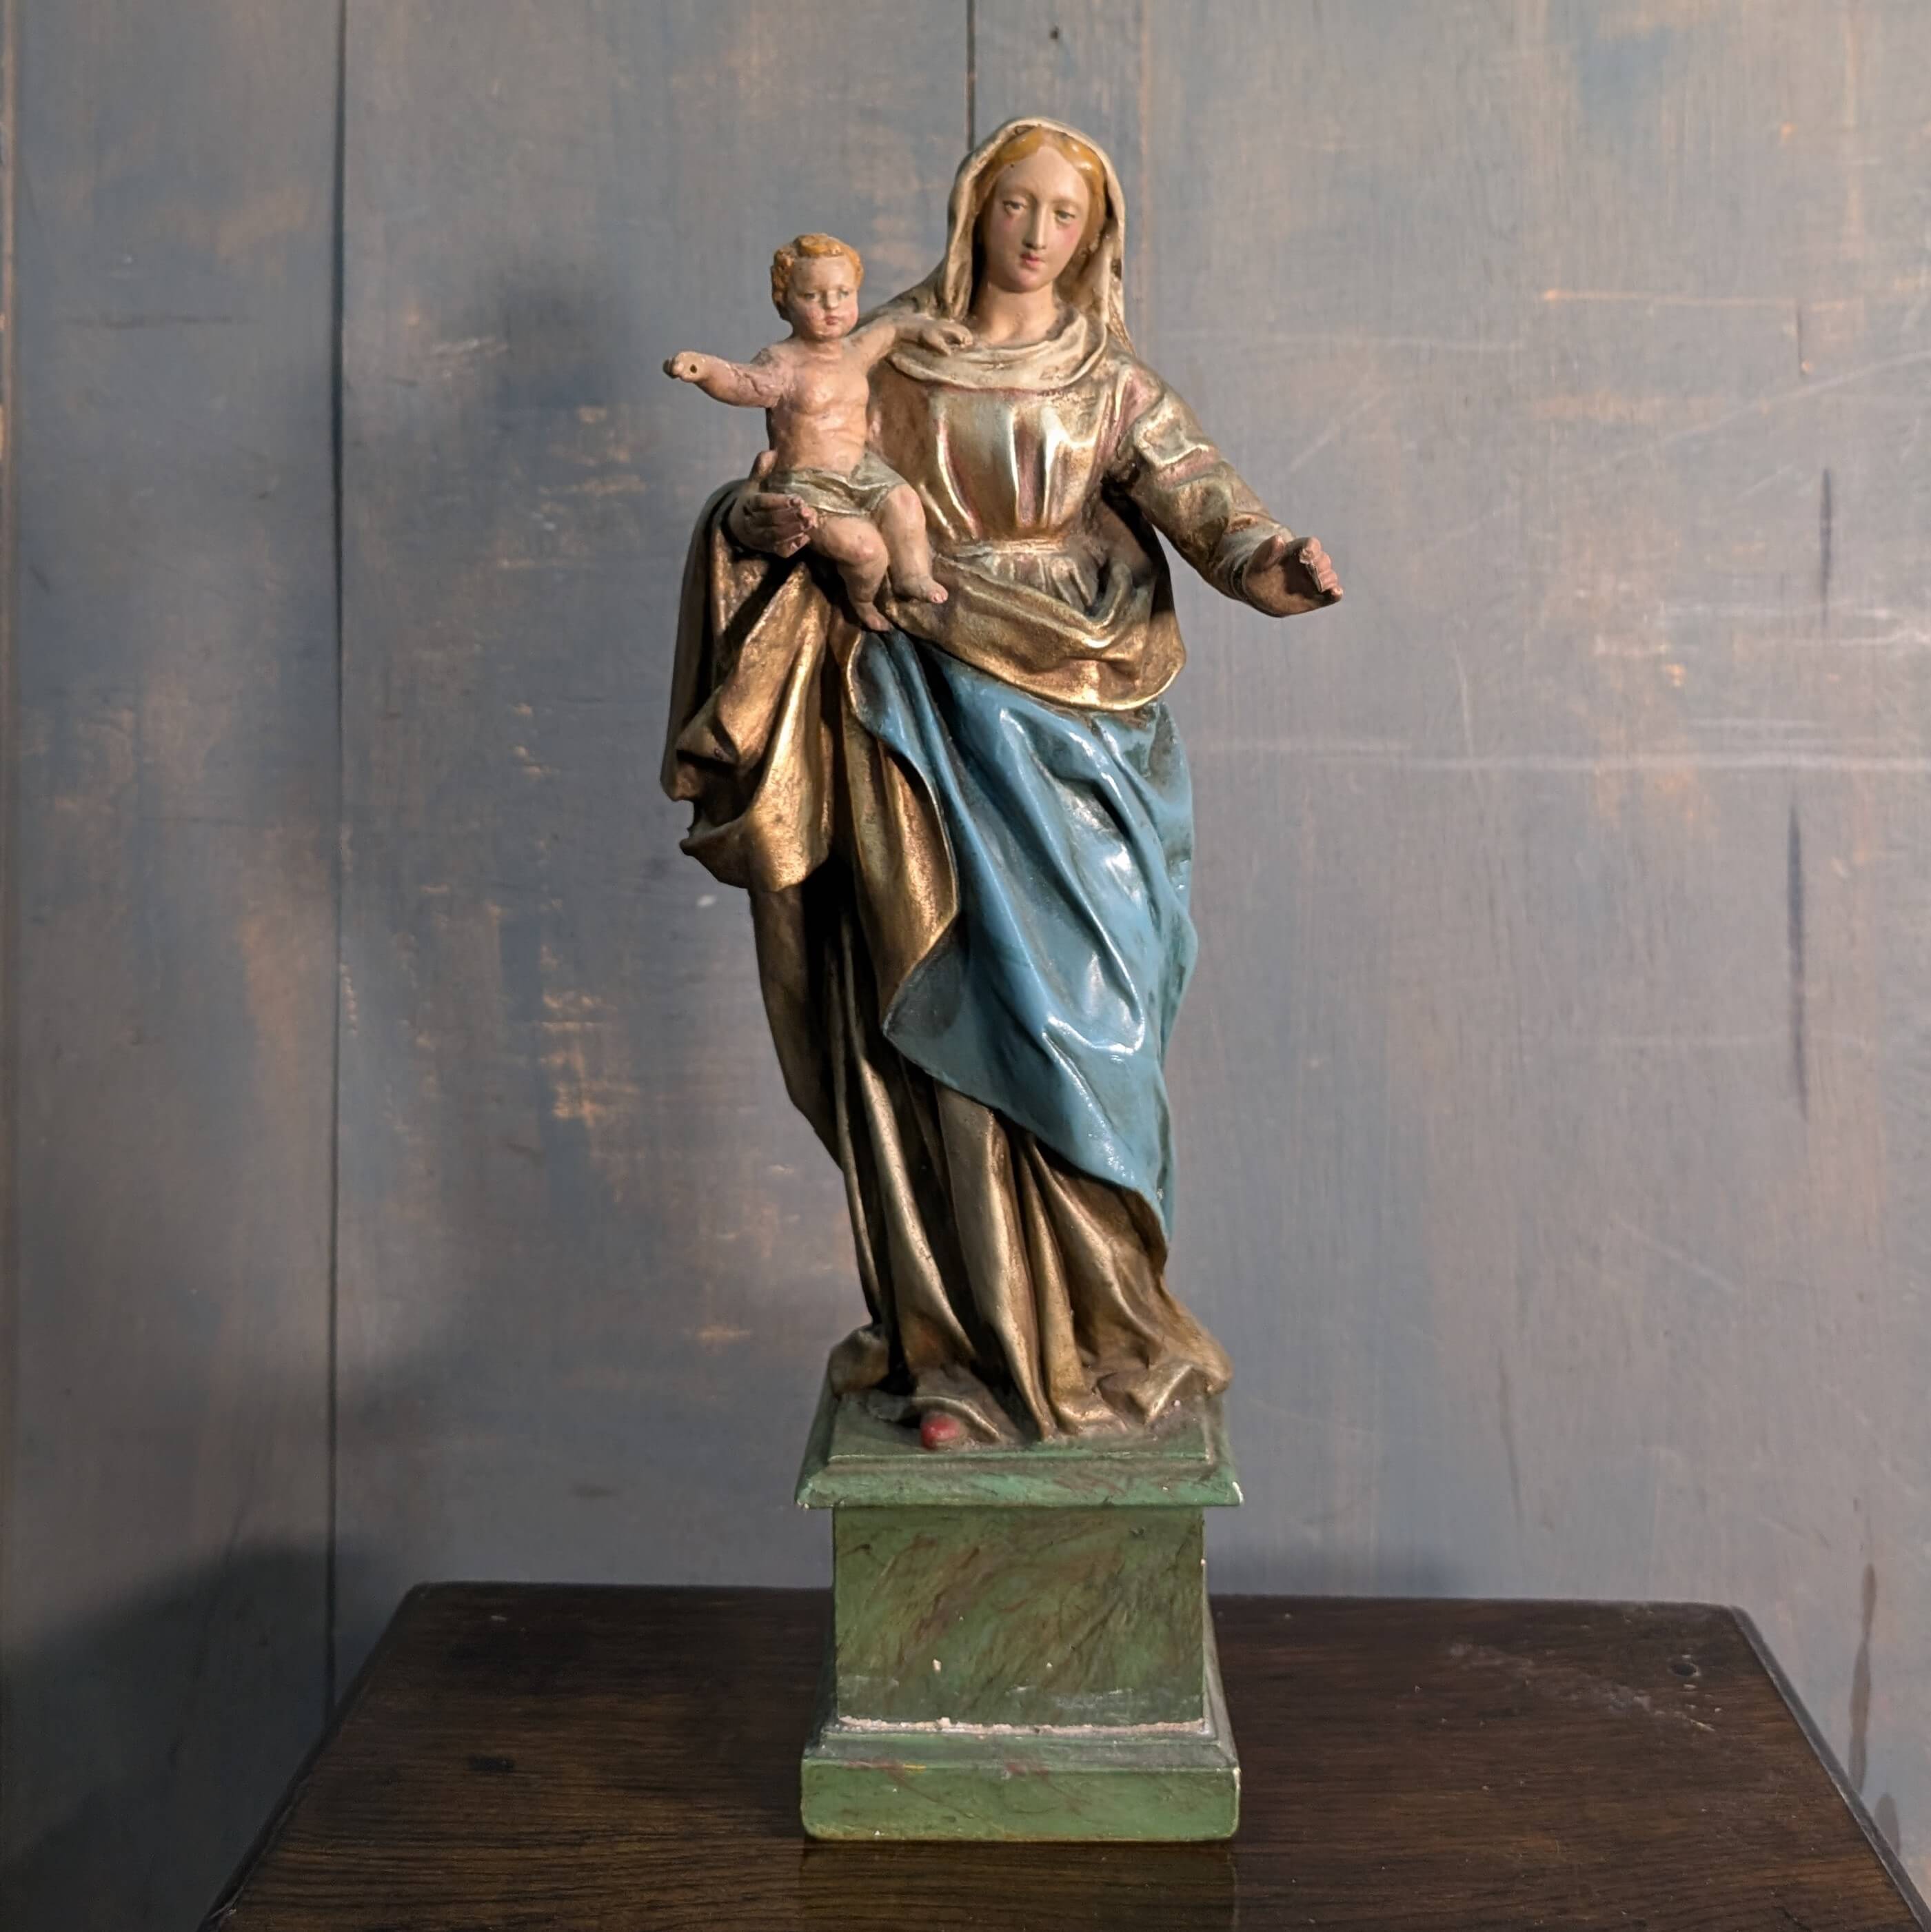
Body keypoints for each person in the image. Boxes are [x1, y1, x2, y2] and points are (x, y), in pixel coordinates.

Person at [664, 118, 1342, 1449]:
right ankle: (964, 1351)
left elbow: (1208, 501)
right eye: (1017, 204)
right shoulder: (890, 351)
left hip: (1083, 725)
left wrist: (1280, 565)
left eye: (1065, 214)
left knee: (1090, 1030)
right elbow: (792, 475)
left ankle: (1108, 1328)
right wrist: (759, 523)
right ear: (976, 206)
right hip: (917, 713)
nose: (1037, 233)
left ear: (1094, 235)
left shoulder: (1109, 379)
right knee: (947, 1011)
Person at [663, 232, 970, 630]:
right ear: (784, 302)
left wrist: (923, 330)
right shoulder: (783, 363)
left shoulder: (854, 351)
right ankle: (862, 601)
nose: (831, 306)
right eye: (813, 296)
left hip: (862, 471)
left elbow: (891, 330)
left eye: (843, 294)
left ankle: (912, 576)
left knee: (906, 504)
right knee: (865, 550)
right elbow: (742, 382)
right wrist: (704, 369)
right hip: (806, 482)